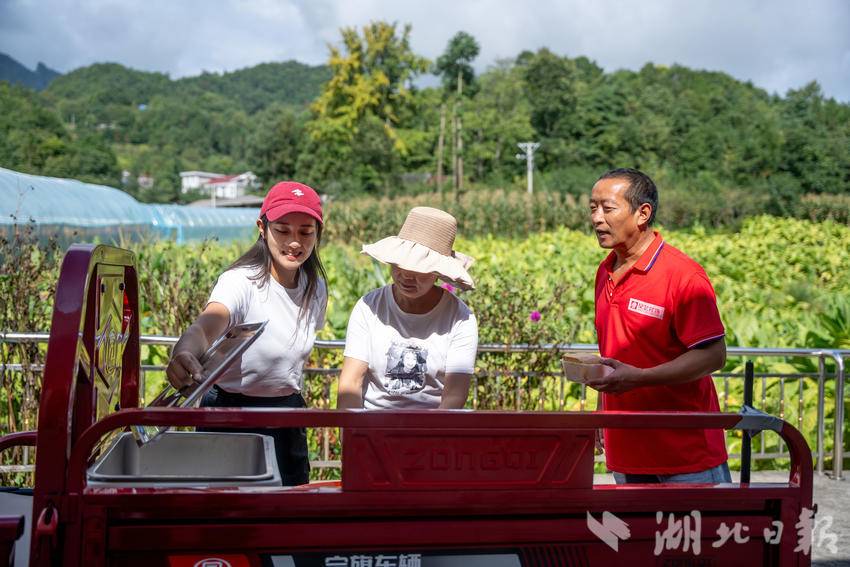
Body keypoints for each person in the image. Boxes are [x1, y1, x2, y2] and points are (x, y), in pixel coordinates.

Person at [165, 181, 327, 486]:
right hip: (230, 413)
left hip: (287, 414)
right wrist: (184, 352)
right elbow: (205, 327)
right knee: (228, 507)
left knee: (287, 504)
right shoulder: (240, 282)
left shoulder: (315, 287)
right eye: (283, 230)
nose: (295, 242)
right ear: (262, 229)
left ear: (318, 233)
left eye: (306, 232)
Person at [585, 168, 730, 484]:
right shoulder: (604, 272)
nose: (596, 218)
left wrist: (640, 378)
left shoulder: (683, 276)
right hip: (627, 452)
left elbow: (713, 355)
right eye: (592, 208)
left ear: (643, 213)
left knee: (696, 521)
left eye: (608, 208)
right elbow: (612, 352)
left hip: (686, 456)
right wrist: (602, 411)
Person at [337, 206, 478, 410]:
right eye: (399, 264)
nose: (406, 275)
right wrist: (351, 428)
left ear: (438, 272)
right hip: (371, 424)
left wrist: (429, 431)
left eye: (419, 268)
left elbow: (454, 394)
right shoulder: (369, 306)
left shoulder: (460, 318)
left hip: (433, 425)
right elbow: (351, 382)